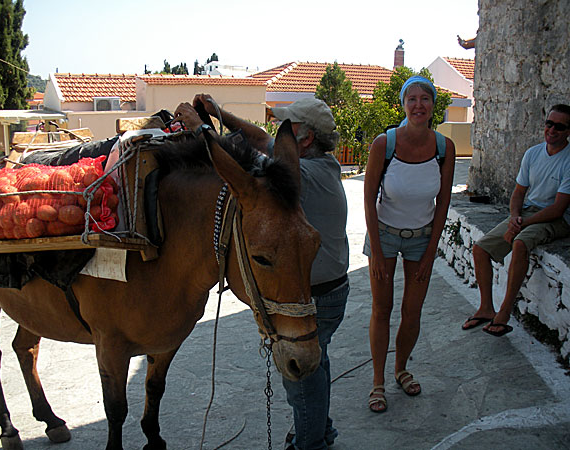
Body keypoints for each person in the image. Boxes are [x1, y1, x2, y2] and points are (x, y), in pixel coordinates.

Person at [173, 95, 350, 450]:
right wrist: (220, 113)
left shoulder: (299, 177)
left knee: (299, 375)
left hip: (312, 295)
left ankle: (309, 442)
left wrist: (200, 128)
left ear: (304, 139)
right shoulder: (321, 165)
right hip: (333, 288)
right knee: (319, 360)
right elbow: (257, 139)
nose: (277, 133)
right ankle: (320, 427)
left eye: (288, 127)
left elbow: (233, 160)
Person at [363, 76, 455, 413]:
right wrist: (374, 250)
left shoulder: (444, 148)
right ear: (403, 105)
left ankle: (401, 369)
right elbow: (368, 198)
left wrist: (432, 252)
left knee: (412, 311)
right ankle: (377, 382)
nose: (418, 105)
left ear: (433, 105)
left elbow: (443, 203)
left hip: (422, 238)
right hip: (384, 234)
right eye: (411, 99)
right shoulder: (383, 144)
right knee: (381, 309)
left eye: (425, 99)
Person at [462, 104, 570, 337]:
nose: (552, 130)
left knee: (520, 243)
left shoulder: (568, 161)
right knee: (481, 249)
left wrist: (521, 225)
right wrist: (514, 218)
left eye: (559, 127)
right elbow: (519, 192)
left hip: (557, 219)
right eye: (549, 123)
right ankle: (486, 308)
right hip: (528, 213)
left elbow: (558, 208)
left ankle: (505, 311)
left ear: (568, 131)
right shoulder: (533, 153)